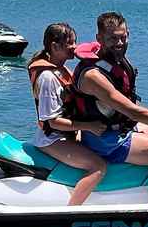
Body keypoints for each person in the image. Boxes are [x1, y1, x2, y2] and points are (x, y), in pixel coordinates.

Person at [68, 11, 148, 204]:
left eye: (123, 37)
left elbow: (130, 107)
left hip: (119, 129)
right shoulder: (93, 76)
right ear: (99, 38)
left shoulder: (114, 60)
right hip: (107, 142)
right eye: (113, 38)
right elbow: (131, 111)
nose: (120, 43)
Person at [27, 23, 107, 206]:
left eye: (75, 42)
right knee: (98, 166)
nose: (75, 47)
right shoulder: (48, 78)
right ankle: (72, 211)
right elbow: (52, 121)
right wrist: (90, 126)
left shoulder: (62, 71)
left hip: (66, 134)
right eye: (70, 43)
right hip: (51, 139)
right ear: (55, 47)